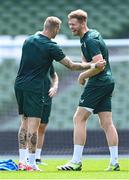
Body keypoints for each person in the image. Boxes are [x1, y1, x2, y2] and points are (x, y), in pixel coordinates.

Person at [14, 16, 105, 171]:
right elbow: (71, 65)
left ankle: (22, 161)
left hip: (19, 84)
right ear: (55, 29)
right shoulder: (51, 46)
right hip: (35, 87)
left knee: (24, 122)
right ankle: (31, 163)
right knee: (34, 125)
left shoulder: (28, 40)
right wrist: (93, 64)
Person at [57, 9, 119, 171]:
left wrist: (82, 75)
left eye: (73, 24)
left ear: (83, 22)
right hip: (107, 82)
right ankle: (114, 163)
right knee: (107, 123)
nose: (71, 27)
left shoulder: (89, 40)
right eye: (69, 24)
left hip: (98, 82)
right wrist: (84, 65)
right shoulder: (92, 35)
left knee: (79, 118)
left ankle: (76, 162)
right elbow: (90, 60)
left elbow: (99, 64)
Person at [35, 64, 58, 165]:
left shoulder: (48, 60)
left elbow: (54, 75)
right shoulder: (31, 57)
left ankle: (37, 157)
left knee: (42, 126)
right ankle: (27, 156)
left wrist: (54, 86)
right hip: (34, 94)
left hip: (47, 96)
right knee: (31, 124)